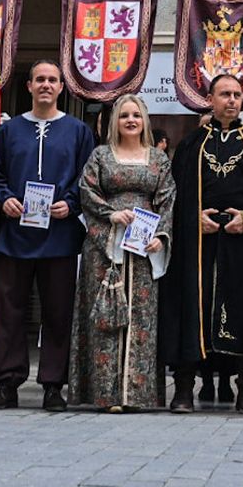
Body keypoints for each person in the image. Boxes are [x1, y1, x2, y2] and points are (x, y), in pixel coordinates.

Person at [0, 60, 95, 412]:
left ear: (62, 87)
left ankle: (53, 386)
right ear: (28, 86)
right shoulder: (8, 131)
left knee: (58, 313)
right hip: (15, 235)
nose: (46, 85)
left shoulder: (78, 132)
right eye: (39, 79)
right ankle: (7, 384)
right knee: (8, 312)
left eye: (52, 80)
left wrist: (72, 203)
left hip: (60, 237)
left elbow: (87, 177)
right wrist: (5, 199)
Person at [162, 73, 243, 415]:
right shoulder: (191, 145)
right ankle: (184, 388)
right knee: (193, 306)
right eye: (225, 94)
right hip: (199, 243)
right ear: (210, 99)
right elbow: (174, 197)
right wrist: (194, 219)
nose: (232, 100)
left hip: (242, 243)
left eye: (237, 94)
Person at [72, 95, 174, 412]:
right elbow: (86, 192)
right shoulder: (101, 156)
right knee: (105, 315)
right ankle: (105, 394)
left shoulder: (158, 160)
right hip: (105, 246)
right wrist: (110, 215)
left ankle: (136, 395)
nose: (131, 120)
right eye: (124, 115)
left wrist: (161, 235)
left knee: (141, 318)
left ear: (144, 121)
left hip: (143, 248)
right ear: (114, 121)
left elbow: (168, 198)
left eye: (136, 115)